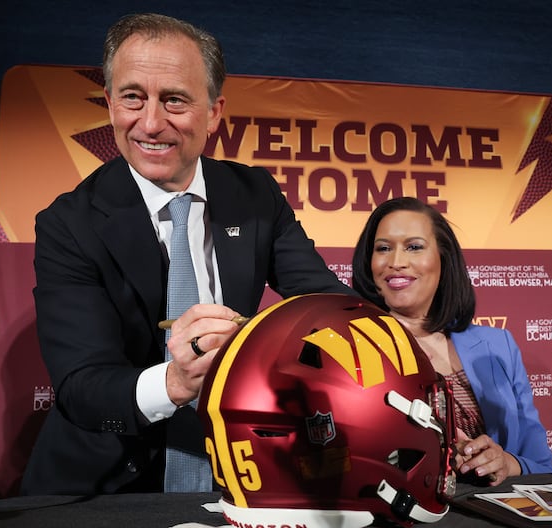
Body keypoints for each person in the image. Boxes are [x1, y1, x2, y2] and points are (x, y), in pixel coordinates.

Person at [21, 13, 353, 496]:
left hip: (238, 477)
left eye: (174, 99)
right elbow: (82, 387)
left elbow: (326, 307)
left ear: (214, 112)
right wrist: (175, 382)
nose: (150, 123)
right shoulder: (68, 224)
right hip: (102, 488)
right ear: (110, 103)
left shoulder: (255, 194)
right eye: (132, 97)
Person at [351, 197, 552, 485]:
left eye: (414, 247)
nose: (396, 262)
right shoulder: (354, 347)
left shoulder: (499, 345)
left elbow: (542, 464)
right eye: (383, 248)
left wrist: (507, 463)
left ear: (443, 258)